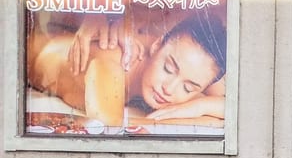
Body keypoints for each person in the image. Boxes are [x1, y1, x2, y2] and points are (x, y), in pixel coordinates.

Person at [26, 13, 227, 126]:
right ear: (156, 45)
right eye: (168, 69)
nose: (169, 88)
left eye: (189, 88)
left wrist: (199, 107)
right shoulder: (114, 65)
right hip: (23, 48)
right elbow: (108, 125)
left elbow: (233, 107)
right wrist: (206, 122)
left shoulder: (192, 63)